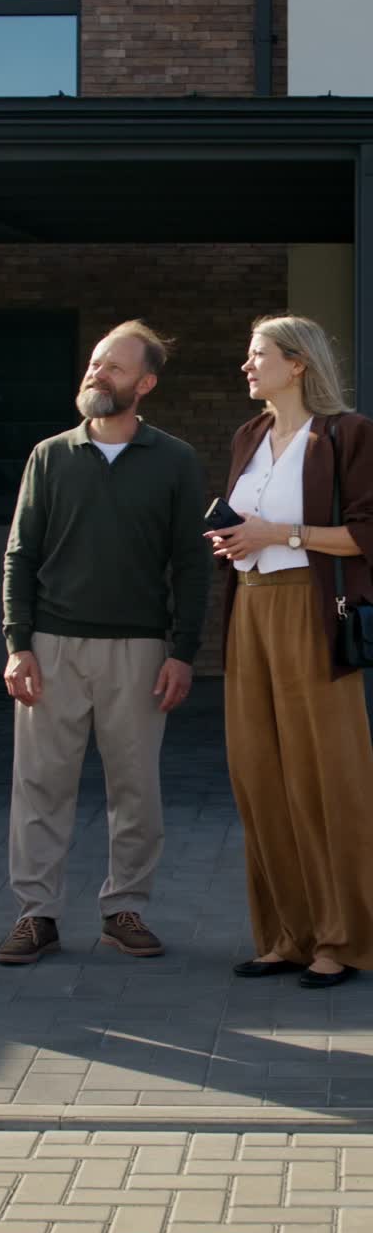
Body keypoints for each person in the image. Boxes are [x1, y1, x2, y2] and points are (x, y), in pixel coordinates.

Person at [0, 320, 209, 965]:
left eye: (114, 368)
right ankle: (37, 915)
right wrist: (17, 641)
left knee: (136, 789)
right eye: (94, 363)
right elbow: (19, 554)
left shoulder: (174, 461)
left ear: (144, 384)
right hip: (51, 645)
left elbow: (191, 565)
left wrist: (182, 651)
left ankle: (126, 909)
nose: (97, 374)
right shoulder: (50, 455)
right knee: (40, 786)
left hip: (140, 652)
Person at [207, 313, 373, 989]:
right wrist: (235, 539)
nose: (248, 365)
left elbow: (365, 533)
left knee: (327, 777)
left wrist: (282, 533)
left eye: (259, 355)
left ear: (298, 362)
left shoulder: (346, 434)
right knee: (259, 774)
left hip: (310, 612)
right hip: (248, 608)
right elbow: (253, 527)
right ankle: (284, 935)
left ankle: (343, 937)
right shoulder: (249, 435)